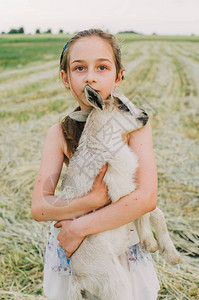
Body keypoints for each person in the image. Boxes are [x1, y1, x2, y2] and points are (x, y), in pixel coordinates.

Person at [31, 28, 160, 300]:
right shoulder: (59, 134)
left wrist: (79, 227)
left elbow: (146, 197)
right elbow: (40, 207)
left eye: (102, 67)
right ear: (65, 78)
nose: (90, 76)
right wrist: (92, 199)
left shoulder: (134, 129)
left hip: (116, 246)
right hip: (78, 254)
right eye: (79, 68)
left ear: (118, 76)